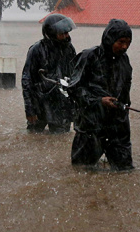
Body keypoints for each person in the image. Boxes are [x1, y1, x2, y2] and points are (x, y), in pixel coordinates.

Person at [69, 19, 134, 171]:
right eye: (121, 42)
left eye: (128, 42)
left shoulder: (124, 60)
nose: (124, 47)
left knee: (124, 170)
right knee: (82, 170)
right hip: (91, 124)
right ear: (110, 39)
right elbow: (74, 89)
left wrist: (124, 108)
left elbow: (126, 89)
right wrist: (98, 101)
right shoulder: (89, 57)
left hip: (117, 125)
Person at [21, 14, 77, 134]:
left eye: (67, 32)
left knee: (61, 138)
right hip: (40, 103)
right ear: (51, 33)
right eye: (62, 33)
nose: (66, 36)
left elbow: (74, 75)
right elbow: (27, 80)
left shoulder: (69, 49)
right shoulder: (36, 50)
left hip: (61, 105)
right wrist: (29, 109)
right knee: (34, 136)